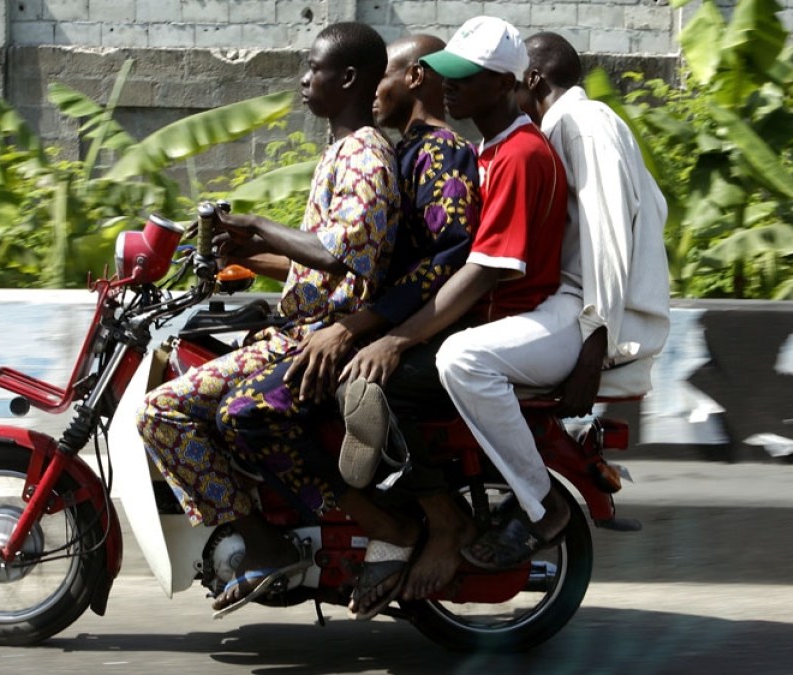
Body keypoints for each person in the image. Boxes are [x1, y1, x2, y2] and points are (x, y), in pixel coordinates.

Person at [135, 22, 399, 612]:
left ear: (348, 78)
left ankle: (263, 544)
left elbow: (339, 253)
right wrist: (245, 253)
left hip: (319, 338)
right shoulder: (343, 151)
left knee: (163, 411)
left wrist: (254, 223)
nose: (304, 80)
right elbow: (319, 263)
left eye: (314, 68)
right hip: (302, 325)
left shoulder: (364, 155)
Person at [217, 33, 481, 620]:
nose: (369, 88)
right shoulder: (400, 151)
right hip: (378, 321)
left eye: (379, 75)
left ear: (413, 78)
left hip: (420, 329)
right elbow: (357, 257)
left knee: (286, 404)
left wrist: (364, 330)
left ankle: (422, 524)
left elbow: (444, 265)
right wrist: (249, 257)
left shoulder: (440, 154)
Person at [337, 16, 569, 605]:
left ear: (506, 83)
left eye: (466, 78)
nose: (451, 87)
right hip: (492, 319)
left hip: (513, 320)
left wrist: (398, 339)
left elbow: (481, 268)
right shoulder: (488, 150)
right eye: (448, 75)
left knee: (382, 384)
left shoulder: (518, 155)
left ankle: (459, 520)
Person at [448, 31, 671, 569]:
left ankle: (540, 506)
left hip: (581, 312)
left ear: (528, 81)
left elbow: (608, 237)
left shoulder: (584, 124)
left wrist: (595, 347)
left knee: (464, 361)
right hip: (567, 306)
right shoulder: (554, 129)